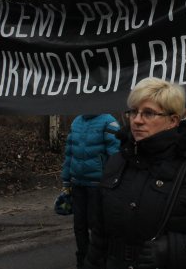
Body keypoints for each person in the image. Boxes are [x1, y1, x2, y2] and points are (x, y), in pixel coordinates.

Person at [85, 77, 186, 269]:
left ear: (173, 120)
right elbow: (99, 236)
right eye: (134, 112)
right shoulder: (117, 163)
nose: (137, 120)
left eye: (148, 113)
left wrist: (178, 249)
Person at [61, 114, 121, 269]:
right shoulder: (76, 121)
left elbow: (116, 157)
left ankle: (99, 261)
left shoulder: (109, 122)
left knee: (97, 227)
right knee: (79, 226)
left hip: (98, 186)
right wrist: (66, 181)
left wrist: (111, 184)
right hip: (77, 184)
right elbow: (69, 154)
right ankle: (82, 260)